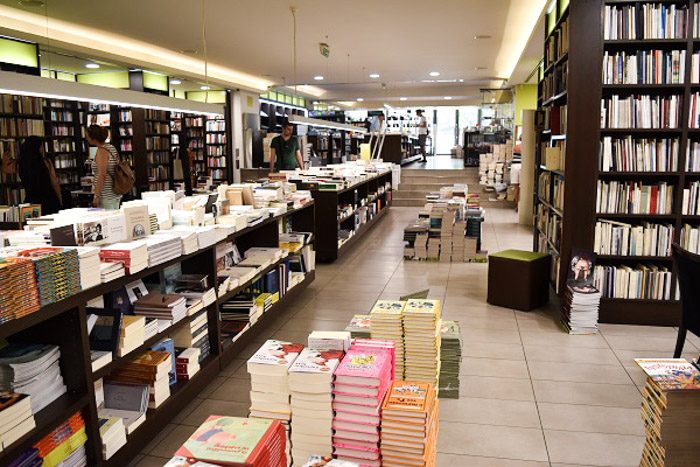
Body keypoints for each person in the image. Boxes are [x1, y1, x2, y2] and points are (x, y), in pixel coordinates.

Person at [17, 135, 62, 215]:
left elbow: (5, 169)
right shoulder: (45, 162)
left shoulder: (21, 164)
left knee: (32, 225)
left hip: (31, 202)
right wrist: (60, 200)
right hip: (48, 201)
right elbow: (54, 182)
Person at [86, 125, 122, 209]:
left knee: (107, 221)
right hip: (115, 192)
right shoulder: (111, 148)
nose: (86, 138)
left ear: (93, 137)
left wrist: (96, 196)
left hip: (105, 194)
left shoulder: (101, 151)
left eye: (87, 136)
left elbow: (102, 174)